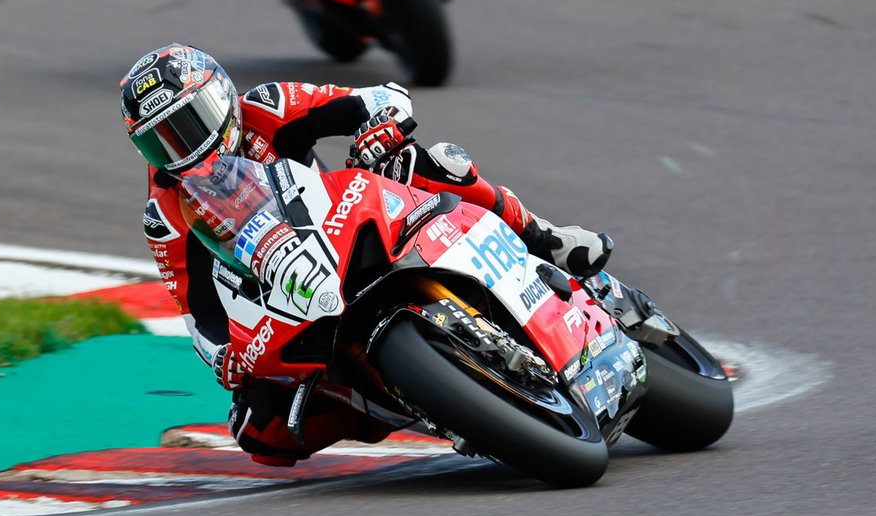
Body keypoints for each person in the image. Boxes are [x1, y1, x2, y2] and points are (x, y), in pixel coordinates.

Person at [119, 44, 613, 466]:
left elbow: (378, 97)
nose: (182, 146)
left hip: (343, 218)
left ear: (220, 96)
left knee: (424, 159)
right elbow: (197, 310)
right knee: (259, 432)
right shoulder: (164, 214)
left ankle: (543, 235)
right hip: (284, 289)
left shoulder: (266, 105)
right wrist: (223, 355)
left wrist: (378, 126)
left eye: (189, 122)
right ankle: (409, 400)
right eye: (160, 140)